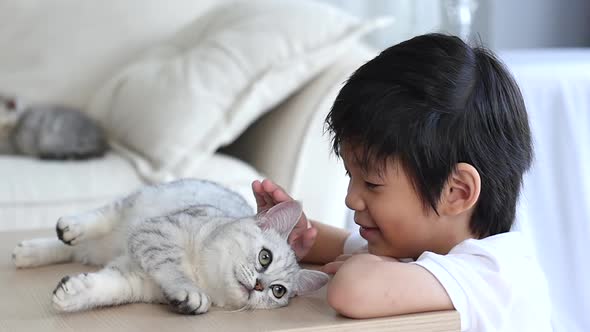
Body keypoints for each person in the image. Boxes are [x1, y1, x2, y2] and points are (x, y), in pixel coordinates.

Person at [252, 33, 552, 332]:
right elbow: (336, 244)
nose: (351, 199)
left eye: (371, 183)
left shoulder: (497, 274)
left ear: (456, 192)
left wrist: (361, 268)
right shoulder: (418, 247)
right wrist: (288, 234)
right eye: (350, 176)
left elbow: (353, 291)